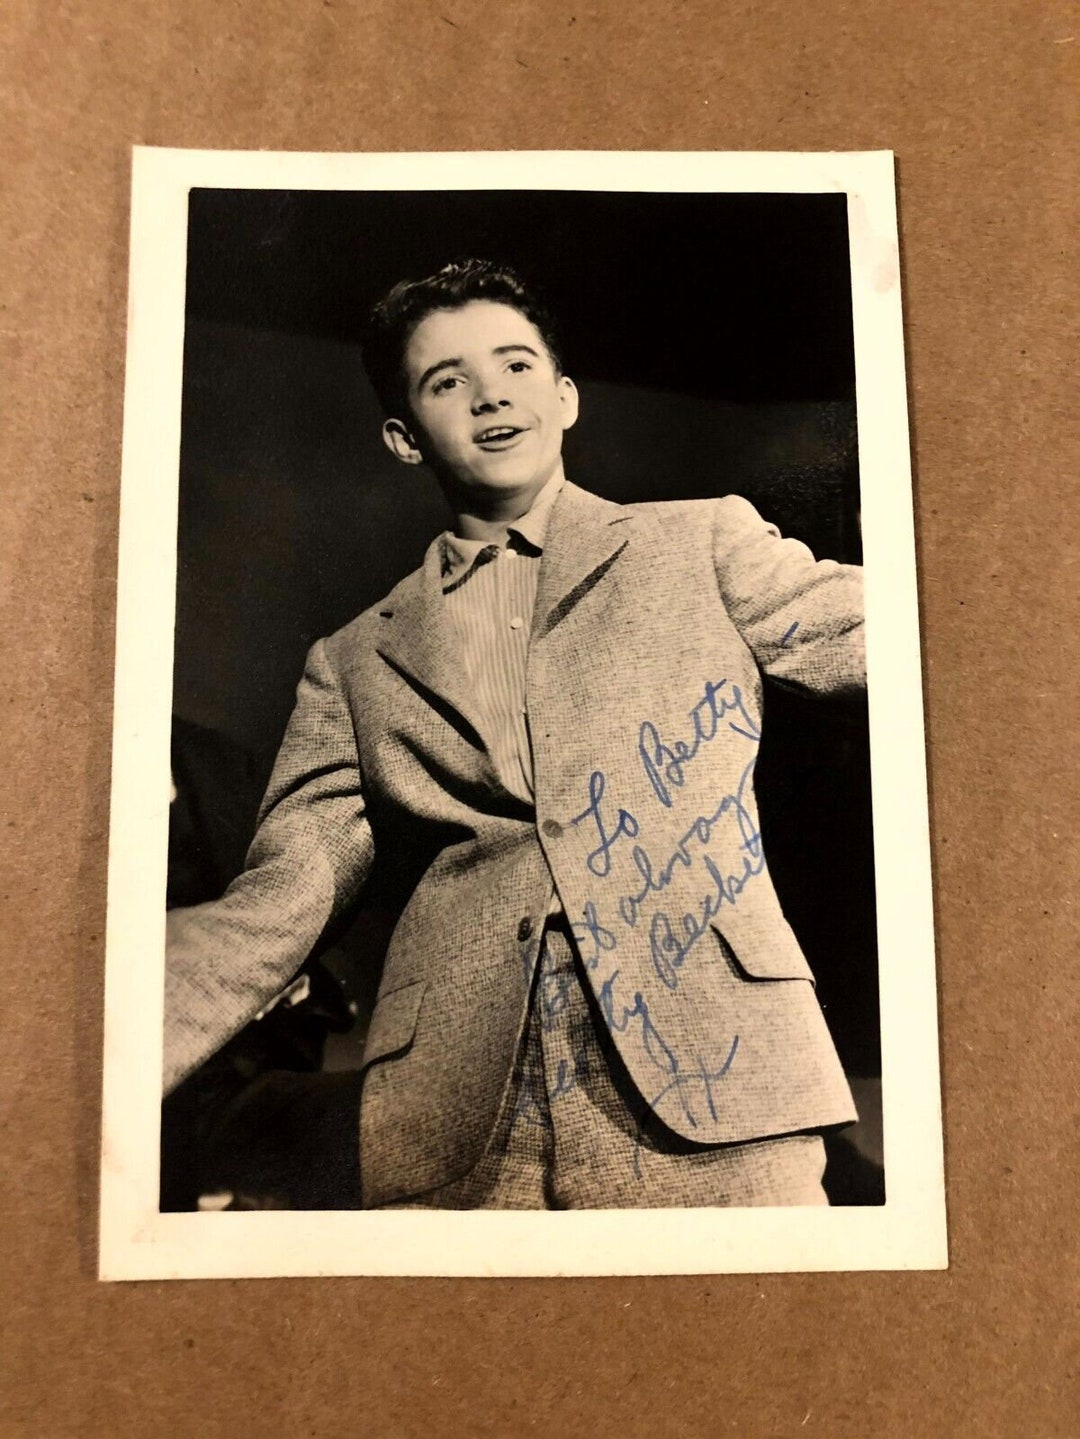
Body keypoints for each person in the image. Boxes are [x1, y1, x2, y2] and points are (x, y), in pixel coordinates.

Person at [164, 258, 866, 1209]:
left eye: (517, 365)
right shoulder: (353, 661)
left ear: (567, 397)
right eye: (447, 381)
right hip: (452, 1132)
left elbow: (920, 642)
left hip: (719, 1089)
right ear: (405, 438)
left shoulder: (702, 544)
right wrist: (89, 1052)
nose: (491, 394)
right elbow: (278, 903)